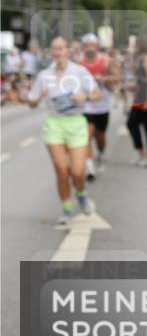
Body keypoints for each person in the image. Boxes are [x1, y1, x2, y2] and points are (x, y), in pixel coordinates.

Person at [27, 36, 101, 226]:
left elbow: (96, 93)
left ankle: (81, 193)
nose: (58, 52)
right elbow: (31, 102)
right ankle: (67, 208)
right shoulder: (44, 75)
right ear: (52, 52)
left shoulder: (80, 72)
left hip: (76, 123)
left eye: (61, 48)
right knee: (61, 170)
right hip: (55, 124)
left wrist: (83, 97)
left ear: (68, 51)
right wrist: (37, 98)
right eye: (55, 49)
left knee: (78, 171)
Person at [79, 33, 119, 180]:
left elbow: (116, 77)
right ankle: (89, 167)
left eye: (92, 44)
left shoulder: (106, 61)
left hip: (102, 104)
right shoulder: (78, 63)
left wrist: (103, 79)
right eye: (86, 45)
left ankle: (101, 152)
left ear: (96, 46)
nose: (89, 47)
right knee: (86, 135)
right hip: (85, 105)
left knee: (100, 135)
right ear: (83, 47)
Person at [126, 40, 147, 165]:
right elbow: (136, 78)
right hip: (139, 94)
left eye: (133, 45)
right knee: (132, 123)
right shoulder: (137, 59)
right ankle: (141, 152)